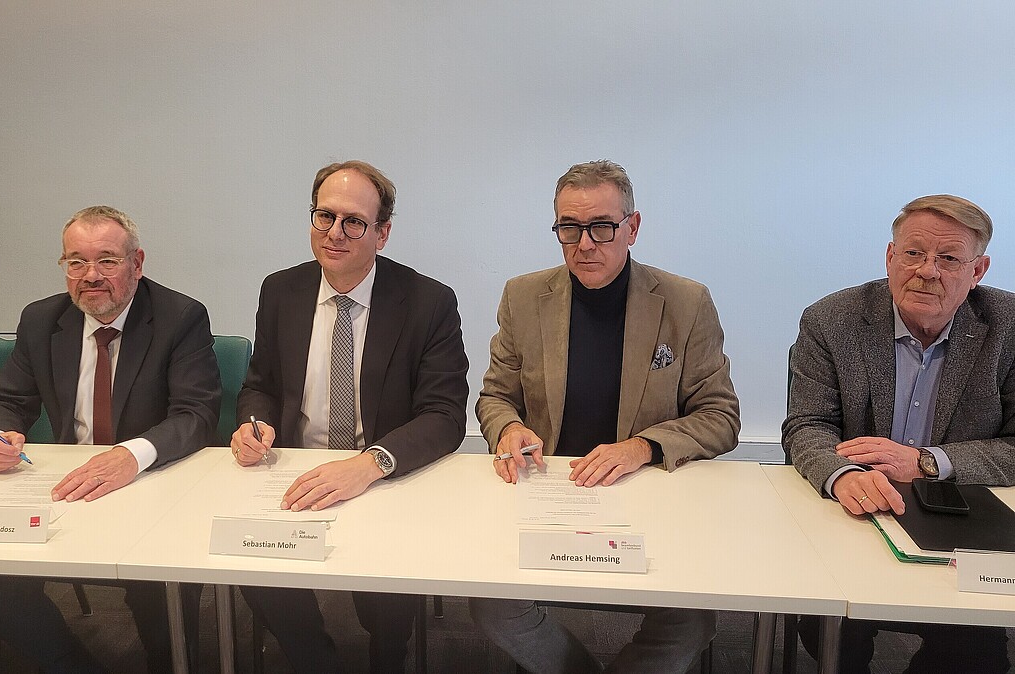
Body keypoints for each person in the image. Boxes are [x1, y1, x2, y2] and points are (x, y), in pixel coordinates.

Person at [469, 161, 741, 674]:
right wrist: (508, 427)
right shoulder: (523, 297)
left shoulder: (685, 302)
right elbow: (495, 396)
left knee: (691, 620)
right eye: (569, 228)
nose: (585, 244)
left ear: (632, 228)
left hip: (647, 495)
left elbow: (721, 416)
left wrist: (642, 447)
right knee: (494, 608)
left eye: (602, 227)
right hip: (550, 490)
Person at [0, 205, 221, 674]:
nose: (90, 275)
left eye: (107, 260)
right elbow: (6, 401)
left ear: (137, 263)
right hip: (65, 487)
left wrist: (130, 455)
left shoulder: (179, 317)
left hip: (152, 487)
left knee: (159, 588)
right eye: (76, 262)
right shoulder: (42, 319)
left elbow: (195, 414)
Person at [230, 160, 469, 673]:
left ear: (382, 233)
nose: (334, 233)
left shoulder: (428, 302)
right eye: (325, 216)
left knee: (388, 589)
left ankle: (388, 656)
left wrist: (369, 464)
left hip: (384, 474)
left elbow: (445, 415)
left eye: (354, 222)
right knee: (251, 562)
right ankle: (316, 658)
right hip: (295, 470)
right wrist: (254, 423)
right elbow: (260, 385)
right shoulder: (281, 290)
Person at [783, 194, 1013, 673]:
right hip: (855, 511)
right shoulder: (832, 320)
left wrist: (927, 461)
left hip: (964, 509)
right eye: (913, 253)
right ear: (890, 257)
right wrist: (843, 475)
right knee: (831, 635)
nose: (926, 271)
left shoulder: (1007, 328)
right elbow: (807, 424)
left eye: (948, 258)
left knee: (974, 654)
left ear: (978, 270)